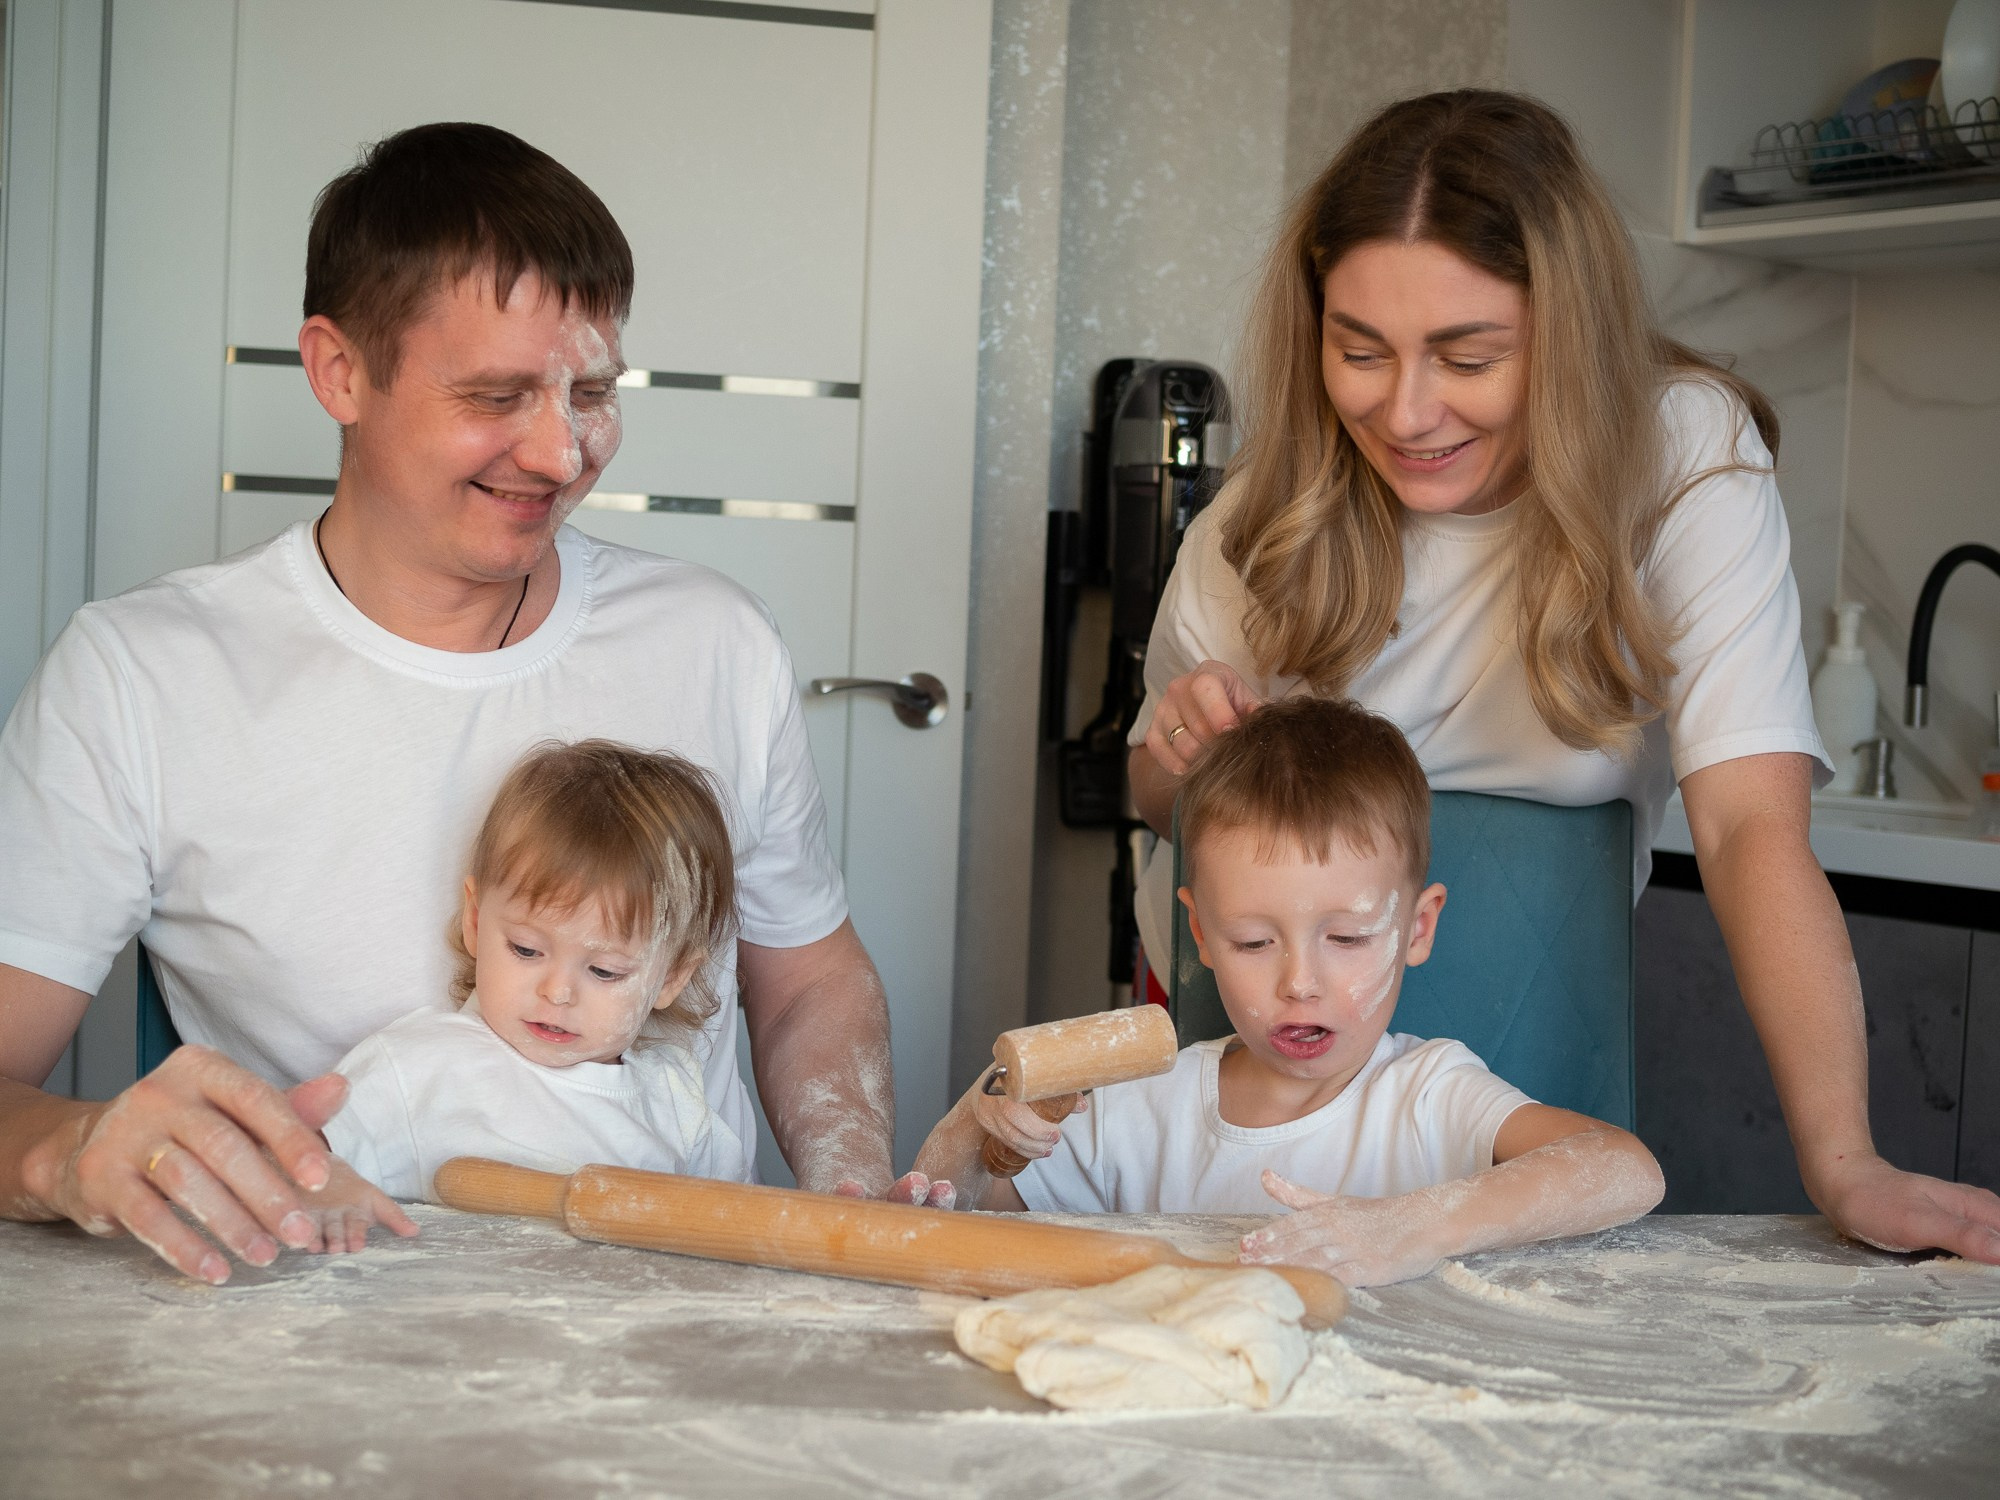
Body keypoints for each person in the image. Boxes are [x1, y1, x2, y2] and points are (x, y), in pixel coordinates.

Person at [0, 122, 941, 1289]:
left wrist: (846, 1185)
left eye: (591, 390)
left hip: (680, 1324)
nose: (559, 451)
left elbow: (806, 975)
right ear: (338, 370)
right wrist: (74, 1152)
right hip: (332, 1330)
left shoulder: (714, 640)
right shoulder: (141, 676)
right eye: (496, 395)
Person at [1123, 90, 2000, 1263]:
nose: (1406, 409)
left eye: (1468, 355)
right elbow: (1151, 796)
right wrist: (1182, 756)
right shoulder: (1261, 523)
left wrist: (1844, 1162)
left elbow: (1748, 831)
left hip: (1533, 1042)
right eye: (1358, 351)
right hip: (1247, 1058)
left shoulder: (1680, 457)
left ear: (1567, 329)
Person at [917, 697, 1663, 1286]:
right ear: (1201, 934)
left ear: (1418, 928)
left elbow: (1625, 1170)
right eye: (1252, 942)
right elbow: (950, 1217)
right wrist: (977, 1127)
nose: (1299, 983)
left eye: (1346, 939)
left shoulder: (1429, 1096)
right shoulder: (1135, 1107)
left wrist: (1416, 1224)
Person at [310, 741, 751, 1225]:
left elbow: (728, 1227)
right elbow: (296, 1160)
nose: (557, 992)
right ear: (476, 922)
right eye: (526, 950)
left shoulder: (672, 1101)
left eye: (604, 970)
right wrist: (324, 1183)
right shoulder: (416, 1068)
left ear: (670, 978)